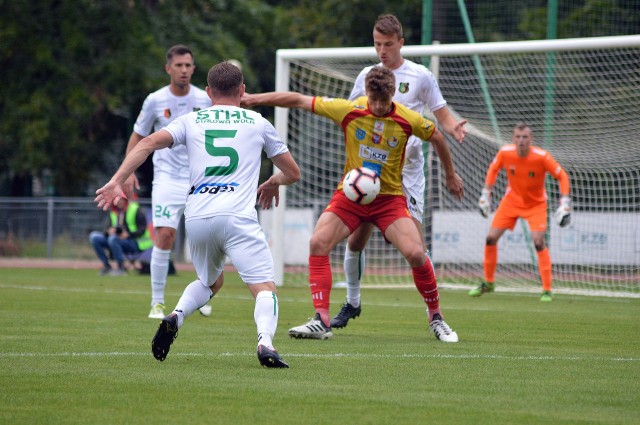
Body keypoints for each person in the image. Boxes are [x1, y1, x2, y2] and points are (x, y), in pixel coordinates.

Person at [95, 61, 301, 368]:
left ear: (208, 92)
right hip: (237, 216)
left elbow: (148, 142)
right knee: (264, 288)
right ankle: (265, 343)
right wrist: (274, 181)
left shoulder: (191, 121)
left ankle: (176, 315)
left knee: (210, 282)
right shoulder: (257, 122)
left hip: (198, 217)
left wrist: (116, 180)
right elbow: (293, 172)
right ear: (242, 90)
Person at [242, 66, 464, 342]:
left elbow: (438, 137)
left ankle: (436, 317)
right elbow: (299, 100)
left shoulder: (409, 119)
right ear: (367, 94)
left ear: (394, 94)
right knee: (318, 242)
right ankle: (321, 319)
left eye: (384, 101)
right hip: (350, 198)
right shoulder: (350, 109)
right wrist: (253, 100)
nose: (379, 106)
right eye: (374, 100)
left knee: (417, 254)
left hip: (388, 200)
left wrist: (450, 175)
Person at [334, 14, 468, 331]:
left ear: (401, 43)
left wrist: (453, 127)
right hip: (370, 172)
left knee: (415, 248)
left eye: (388, 44)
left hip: (407, 173)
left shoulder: (419, 76)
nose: (382, 50)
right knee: (355, 241)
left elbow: (442, 117)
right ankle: (352, 303)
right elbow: (353, 114)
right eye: (378, 44)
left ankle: (435, 315)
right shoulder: (367, 75)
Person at [125, 44, 218, 319]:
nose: (184, 70)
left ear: (194, 69)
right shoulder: (155, 100)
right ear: (168, 68)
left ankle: (201, 297)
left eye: (188, 65)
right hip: (166, 178)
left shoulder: (204, 99)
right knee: (165, 236)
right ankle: (157, 303)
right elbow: (138, 135)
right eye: (179, 65)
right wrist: (129, 170)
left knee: (205, 239)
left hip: (199, 180)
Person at [470, 123, 571, 301]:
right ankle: (488, 282)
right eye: (517, 137)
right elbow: (493, 169)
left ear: (531, 139)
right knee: (490, 238)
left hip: (536, 204)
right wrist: (485, 195)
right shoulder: (505, 153)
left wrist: (564, 204)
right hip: (511, 202)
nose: (521, 141)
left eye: (524, 137)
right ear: (513, 138)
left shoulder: (542, 157)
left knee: (539, 242)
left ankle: (547, 289)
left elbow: (562, 176)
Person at [89, 198, 153, 276]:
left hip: (135, 242)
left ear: (126, 200)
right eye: (117, 200)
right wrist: (109, 231)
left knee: (113, 239)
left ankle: (121, 268)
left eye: (121, 199)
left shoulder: (135, 210)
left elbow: (142, 229)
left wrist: (128, 235)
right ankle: (107, 266)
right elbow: (107, 228)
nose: (119, 202)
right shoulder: (113, 212)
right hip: (114, 240)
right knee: (94, 236)